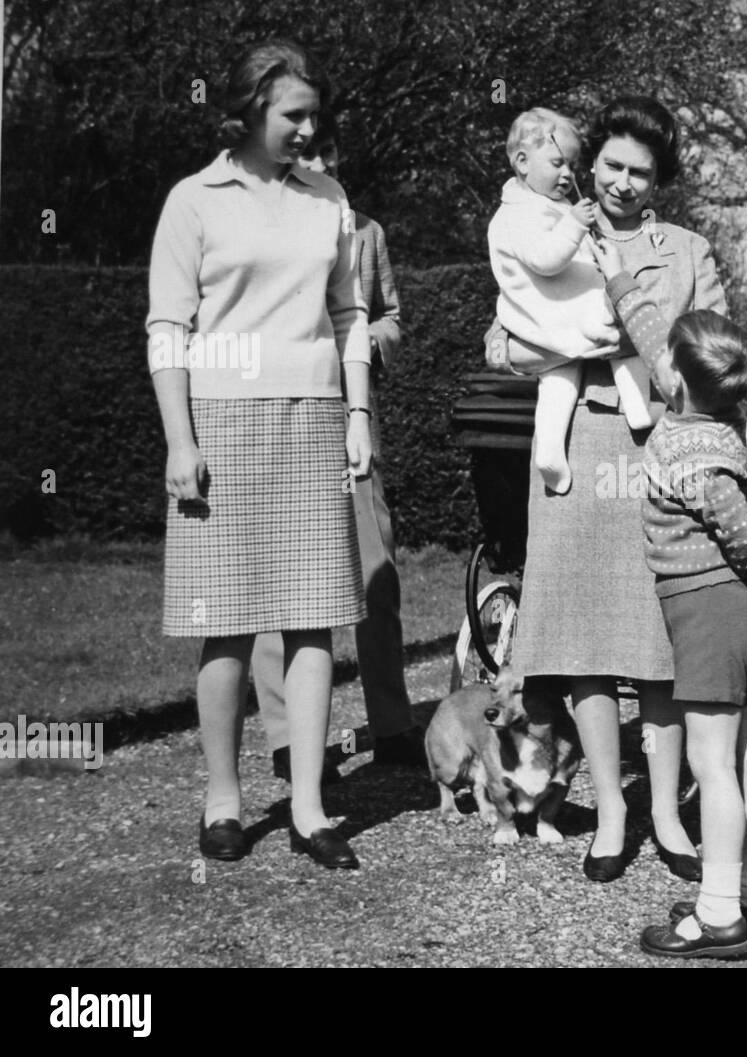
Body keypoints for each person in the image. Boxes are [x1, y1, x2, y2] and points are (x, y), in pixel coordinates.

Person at [147, 40, 372, 869]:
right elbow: (167, 329)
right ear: (246, 113)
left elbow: (348, 315)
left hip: (312, 419)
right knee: (226, 625)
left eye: (315, 115)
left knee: (314, 619)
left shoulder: (328, 199)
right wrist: (180, 437)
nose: (309, 130)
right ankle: (222, 798)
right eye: (293, 116)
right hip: (219, 421)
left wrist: (356, 412)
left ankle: (311, 807)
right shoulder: (193, 200)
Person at [490, 96, 726, 883]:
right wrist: (554, 343)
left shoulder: (687, 249)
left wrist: (634, 328)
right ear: (591, 164)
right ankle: (611, 810)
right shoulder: (548, 226)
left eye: (641, 171)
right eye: (612, 166)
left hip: (653, 442)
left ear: (661, 178)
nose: (622, 183)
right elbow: (500, 340)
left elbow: (709, 349)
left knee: (657, 635)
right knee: (586, 635)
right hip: (572, 444)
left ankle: (663, 809)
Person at [594, 243, 747, 957]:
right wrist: (615, 270)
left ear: (674, 377)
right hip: (736, 611)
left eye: (664, 356)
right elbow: (651, 328)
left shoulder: (691, 454)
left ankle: (718, 916)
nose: (654, 357)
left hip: (712, 610)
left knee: (713, 765)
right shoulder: (717, 413)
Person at [249, 110, 425, 783]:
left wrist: (365, 344)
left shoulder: (366, 232)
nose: (316, 163)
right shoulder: (262, 228)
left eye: (326, 151)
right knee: (279, 576)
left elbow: (390, 316)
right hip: (281, 414)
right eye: (306, 152)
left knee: (375, 570)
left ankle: (392, 722)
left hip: (353, 417)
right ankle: (291, 738)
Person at [488, 107, 653, 495]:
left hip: (547, 321)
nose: (568, 175)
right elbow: (544, 261)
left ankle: (549, 450)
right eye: (558, 163)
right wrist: (577, 224)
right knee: (619, 326)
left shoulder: (541, 205)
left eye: (573, 165)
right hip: (557, 310)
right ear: (522, 162)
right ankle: (639, 405)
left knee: (558, 379)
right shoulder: (519, 214)